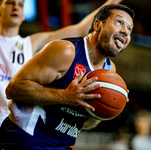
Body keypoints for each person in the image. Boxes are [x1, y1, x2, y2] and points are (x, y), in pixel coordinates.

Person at [0, 4, 134, 150]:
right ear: (97, 24)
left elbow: (87, 123)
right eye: (119, 22)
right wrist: (64, 96)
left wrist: (110, 108)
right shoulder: (66, 51)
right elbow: (13, 89)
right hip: (25, 141)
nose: (125, 31)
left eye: (129, 29)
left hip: (62, 146)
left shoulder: (109, 70)